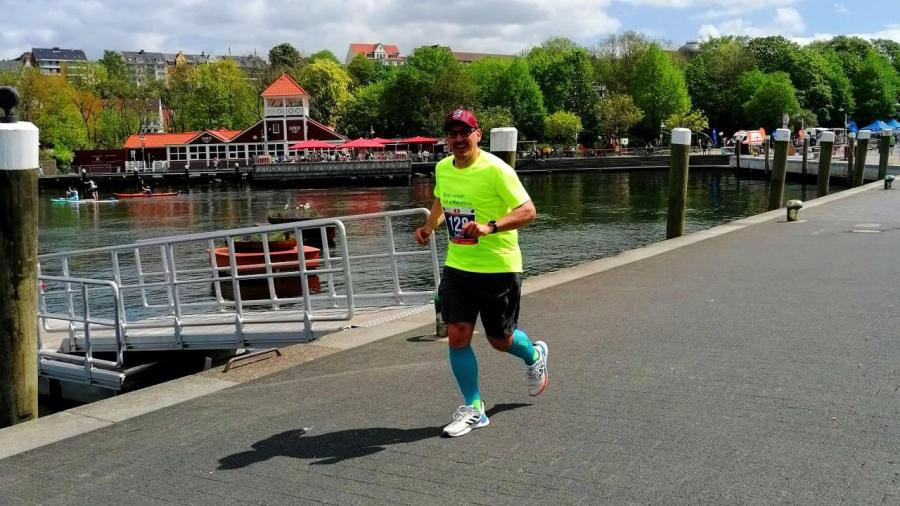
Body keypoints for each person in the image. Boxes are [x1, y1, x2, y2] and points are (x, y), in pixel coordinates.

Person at [414, 108, 547, 438]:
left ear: (478, 135)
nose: (459, 139)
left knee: (500, 340)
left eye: (465, 132)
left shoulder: (496, 170)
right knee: (457, 335)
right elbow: (442, 201)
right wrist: (430, 226)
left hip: (498, 267)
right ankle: (474, 408)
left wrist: (490, 227)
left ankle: (534, 355)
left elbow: (529, 211)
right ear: (447, 138)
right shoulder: (443, 168)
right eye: (452, 133)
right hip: (458, 266)